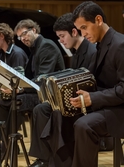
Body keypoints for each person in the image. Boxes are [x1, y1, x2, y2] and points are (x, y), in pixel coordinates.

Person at [28, 13, 97, 167]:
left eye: (62, 36)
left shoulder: (91, 51)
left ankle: (60, 161)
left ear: (74, 32)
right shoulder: (76, 52)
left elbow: (89, 82)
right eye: (58, 37)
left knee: (58, 113)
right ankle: (46, 158)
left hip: (87, 103)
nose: (60, 41)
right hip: (75, 100)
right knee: (40, 109)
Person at [69, 1, 124, 167]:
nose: (83, 34)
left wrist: (92, 98)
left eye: (85, 27)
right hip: (108, 106)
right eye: (80, 30)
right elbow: (90, 78)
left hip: (120, 109)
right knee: (61, 114)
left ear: (98, 20)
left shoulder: (120, 45)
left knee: (84, 125)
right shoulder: (100, 45)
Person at [0, 22, 28, 161]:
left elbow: (19, 82)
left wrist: (3, 90)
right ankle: (4, 145)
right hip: (9, 95)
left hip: (22, 96)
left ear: (1, 36)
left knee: (3, 104)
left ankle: (4, 147)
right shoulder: (2, 55)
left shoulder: (17, 54)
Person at [14, 18, 65, 132]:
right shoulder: (35, 48)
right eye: (19, 37)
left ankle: (6, 144)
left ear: (34, 30)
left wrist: (21, 89)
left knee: (16, 101)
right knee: (5, 99)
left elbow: (42, 79)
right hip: (40, 91)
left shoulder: (46, 46)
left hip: (51, 95)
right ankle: (7, 144)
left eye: (24, 34)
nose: (22, 38)